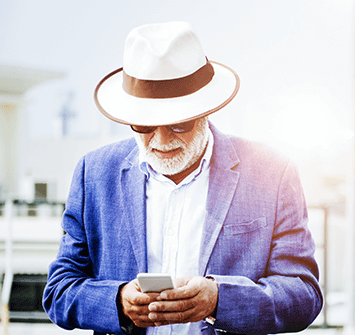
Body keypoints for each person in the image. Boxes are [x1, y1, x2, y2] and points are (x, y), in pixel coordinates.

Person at [43, 21, 322, 335]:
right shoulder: (93, 174)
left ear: (206, 109)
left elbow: (303, 295)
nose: (161, 140)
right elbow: (59, 292)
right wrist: (118, 302)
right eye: (144, 126)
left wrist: (219, 300)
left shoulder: (273, 173)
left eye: (178, 124)